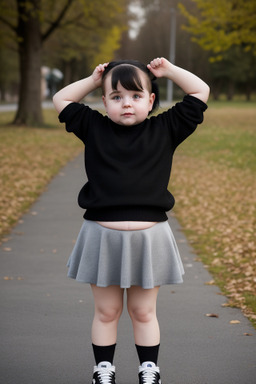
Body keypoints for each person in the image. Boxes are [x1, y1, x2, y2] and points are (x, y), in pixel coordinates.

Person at [53, 57, 210, 384]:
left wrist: (167, 72)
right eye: (117, 96)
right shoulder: (93, 126)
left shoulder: (166, 127)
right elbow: (62, 99)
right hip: (102, 236)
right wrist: (95, 79)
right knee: (107, 312)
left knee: (143, 312)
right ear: (104, 101)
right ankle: (103, 370)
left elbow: (199, 91)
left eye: (136, 96)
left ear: (151, 100)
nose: (127, 103)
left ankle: (149, 370)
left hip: (148, 238)